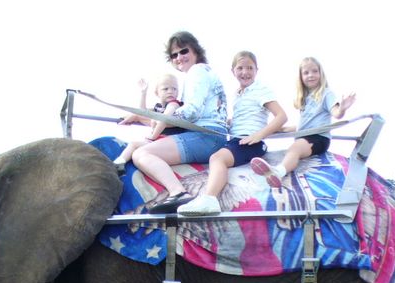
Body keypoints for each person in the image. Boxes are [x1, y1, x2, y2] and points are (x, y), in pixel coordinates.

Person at [178, 51, 287, 215]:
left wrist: (258, 135)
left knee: (217, 158)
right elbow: (245, 117)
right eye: (240, 68)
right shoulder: (237, 94)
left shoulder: (260, 89)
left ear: (257, 70)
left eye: (250, 68)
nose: (245, 72)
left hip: (250, 142)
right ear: (233, 71)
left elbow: (281, 116)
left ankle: (210, 199)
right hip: (236, 139)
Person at [131, 31, 229, 214]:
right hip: (210, 134)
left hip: (204, 135)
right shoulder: (205, 73)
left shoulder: (197, 71)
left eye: (184, 51)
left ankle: (178, 192)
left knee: (141, 154)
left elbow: (192, 111)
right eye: (174, 55)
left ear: (196, 51)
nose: (179, 57)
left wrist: (161, 121)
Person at [250, 56, 356, 187]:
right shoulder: (304, 98)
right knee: (294, 146)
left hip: (318, 138)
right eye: (306, 72)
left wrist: (342, 109)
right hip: (305, 136)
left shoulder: (326, 93)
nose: (311, 75)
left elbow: (336, 113)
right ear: (300, 77)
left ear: (321, 73)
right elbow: (303, 126)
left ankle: (278, 172)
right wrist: (277, 129)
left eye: (315, 71)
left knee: (294, 149)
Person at [114, 73, 184, 166]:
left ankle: (119, 163)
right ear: (157, 93)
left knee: (135, 145)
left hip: (170, 140)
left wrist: (152, 137)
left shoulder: (174, 104)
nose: (170, 91)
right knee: (133, 144)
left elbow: (164, 119)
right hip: (159, 140)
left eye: (174, 89)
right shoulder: (158, 107)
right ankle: (120, 162)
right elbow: (142, 112)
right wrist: (143, 93)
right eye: (165, 89)